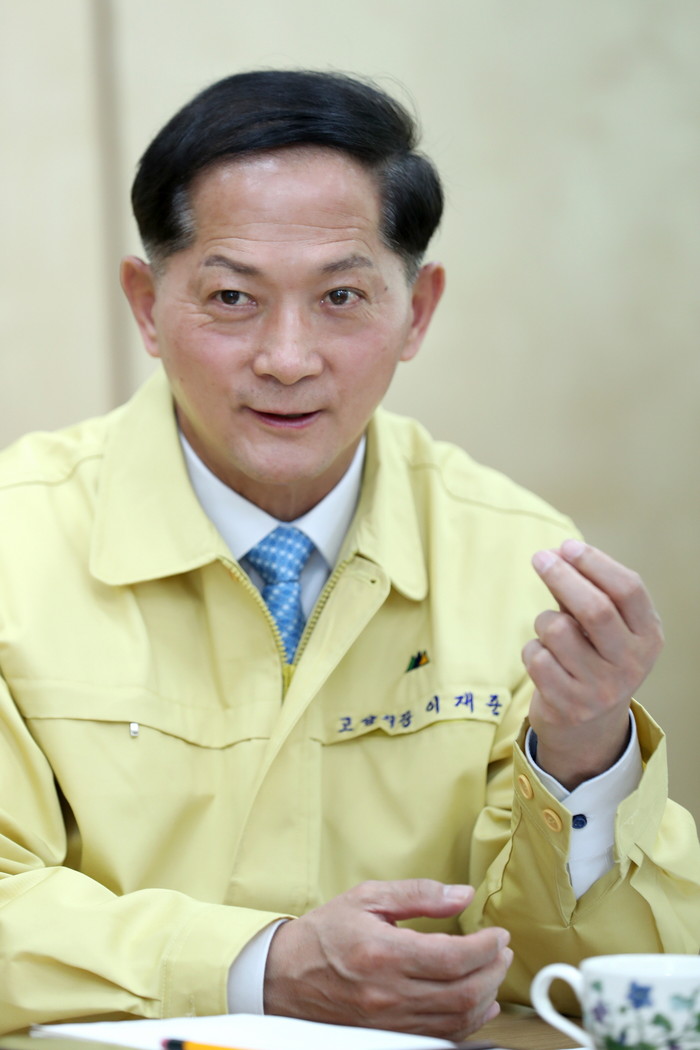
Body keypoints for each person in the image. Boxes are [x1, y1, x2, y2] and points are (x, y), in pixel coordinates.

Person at [0, 69, 698, 1039]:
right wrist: (261, 967)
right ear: (147, 305)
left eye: (340, 296)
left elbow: (600, 979)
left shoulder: (520, 560)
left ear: (418, 311)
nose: (288, 358)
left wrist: (584, 754)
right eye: (233, 297)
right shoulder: (16, 542)